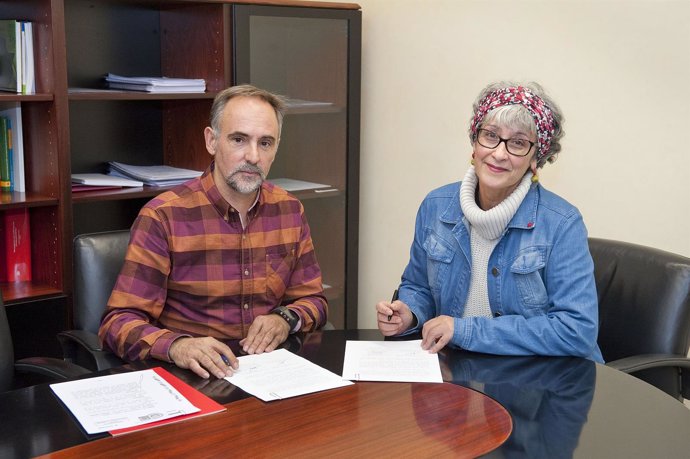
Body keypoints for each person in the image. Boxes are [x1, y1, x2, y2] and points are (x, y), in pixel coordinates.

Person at [99, 84, 328, 379]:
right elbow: (118, 323)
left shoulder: (289, 210)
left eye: (266, 143)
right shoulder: (164, 216)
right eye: (238, 140)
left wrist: (285, 318)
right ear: (211, 141)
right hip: (194, 378)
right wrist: (178, 346)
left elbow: (315, 301)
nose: (253, 156)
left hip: (268, 373)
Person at [376, 81, 603, 362]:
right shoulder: (435, 206)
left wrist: (465, 330)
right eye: (490, 136)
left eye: (518, 143)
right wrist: (409, 315)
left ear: (535, 159)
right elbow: (418, 286)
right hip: (462, 373)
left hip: (543, 385)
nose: (499, 153)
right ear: (474, 144)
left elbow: (576, 330)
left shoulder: (562, 223)